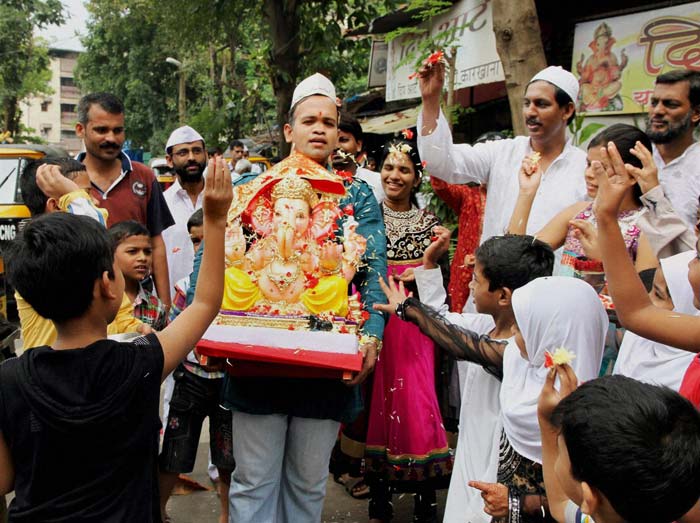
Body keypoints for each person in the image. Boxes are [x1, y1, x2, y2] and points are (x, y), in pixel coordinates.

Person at [187, 72, 387, 522]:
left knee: (307, 483)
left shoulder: (357, 194)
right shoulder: (253, 188)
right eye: (309, 120)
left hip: (325, 359)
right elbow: (211, 261)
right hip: (258, 361)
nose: (320, 129)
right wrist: (205, 335)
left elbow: (374, 269)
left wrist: (371, 334)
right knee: (253, 481)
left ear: (339, 132)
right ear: (288, 130)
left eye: (329, 122)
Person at [0, 158, 232, 521]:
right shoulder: (140, 361)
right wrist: (216, 220)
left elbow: (4, 478)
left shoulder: (9, 378)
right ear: (109, 285)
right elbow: (205, 302)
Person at [377, 275, 606, 522]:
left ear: (552, 330)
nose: (515, 331)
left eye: (524, 324)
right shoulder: (521, 363)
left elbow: (582, 506)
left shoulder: (594, 416)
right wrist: (408, 309)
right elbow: (465, 344)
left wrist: (519, 504)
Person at [409, 232, 554, 523]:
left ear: (503, 295)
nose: (471, 285)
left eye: (476, 279)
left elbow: (456, 341)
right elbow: (442, 320)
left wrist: (408, 309)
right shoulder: (484, 324)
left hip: (496, 463)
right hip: (469, 451)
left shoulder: (521, 351)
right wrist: (428, 264)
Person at [417, 64, 587, 266]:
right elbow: (440, 163)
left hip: (553, 290)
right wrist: (431, 101)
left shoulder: (585, 169)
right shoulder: (502, 153)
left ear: (567, 110)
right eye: (526, 103)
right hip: (495, 287)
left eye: (541, 104)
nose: (530, 112)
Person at [363, 139, 451, 523]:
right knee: (378, 399)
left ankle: (425, 492)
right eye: (388, 168)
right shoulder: (368, 218)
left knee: (417, 399)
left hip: (415, 323)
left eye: (403, 170)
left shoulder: (431, 225)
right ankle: (379, 490)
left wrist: (424, 270)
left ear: (417, 178)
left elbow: (440, 282)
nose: (394, 176)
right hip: (377, 319)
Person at [538, 366, 700, 523]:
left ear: (589, 499)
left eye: (561, 449)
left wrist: (547, 423)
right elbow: (561, 506)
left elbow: (561, 504)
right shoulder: (659, 506)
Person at [15, 158, 146, 349]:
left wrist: (136, 328)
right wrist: (72, 195)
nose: (94, 202)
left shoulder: (100, 265)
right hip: (56, 375)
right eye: (84, 195)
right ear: (57, 206)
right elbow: (93, 231)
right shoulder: (41, 261)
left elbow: (120, 314)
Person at [508, 124, 657, 284]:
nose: (589, 174)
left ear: (633, 174)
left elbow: (647, 301)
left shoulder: (648, 228)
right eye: (588, 165)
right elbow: (516, 259)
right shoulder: (578, 214)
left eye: (602, 168)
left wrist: (606, 261)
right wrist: (526, 192)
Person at [159, 208, 233, 523]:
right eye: (196, 242)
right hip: (190, 379)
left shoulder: (240, 289)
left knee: (228, 457)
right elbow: (175, 333)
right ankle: (158, 510)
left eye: (210, 240)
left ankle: (228, 515)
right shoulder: (185, 286)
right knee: (175, 452)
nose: (202, 249)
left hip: (228, 382)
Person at [76, 92, 175, 309]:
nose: (111, 138)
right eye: (101, 130)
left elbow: (157, 244)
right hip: (82, 303)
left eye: (117, 130)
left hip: (137, 303)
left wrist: (164, 306)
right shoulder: (65, 180)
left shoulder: (144, 177)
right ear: (80, 130)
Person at [429, 131, 497, 313]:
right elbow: (440, 185)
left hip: (496, 273)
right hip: (464, 272)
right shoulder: (468, 195)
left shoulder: (517, 195)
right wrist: (436, 149)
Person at [612, 250, 696, 391]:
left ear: (686, 307)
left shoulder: (692, 373)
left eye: (658, 295)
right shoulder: (639, 335)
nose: (647, 301)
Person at [646, 70, 700, 228]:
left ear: (696, 113)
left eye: (670, 104)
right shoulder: (634, 156)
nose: (657, 111)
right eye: (654, 102)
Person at [162, 126, 206, 296]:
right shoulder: (161, 204)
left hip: (220, 303)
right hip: (175, 304)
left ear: (206, 155)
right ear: (169, 160)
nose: (191, 158)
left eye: (196, 151)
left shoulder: (223, 198)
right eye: (183, 153)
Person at [109, 221, 169, 331]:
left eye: (147, 252)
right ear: (110, 254)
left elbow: (162, 344)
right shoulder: (101, 299)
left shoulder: (156, 307)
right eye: (132, 251)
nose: (143, 258)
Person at [337, 112, 384, 203]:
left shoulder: (378, 182)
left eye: (343, 140)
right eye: (332, 140)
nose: (336, 146)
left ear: (359, 145)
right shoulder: (314, 182)